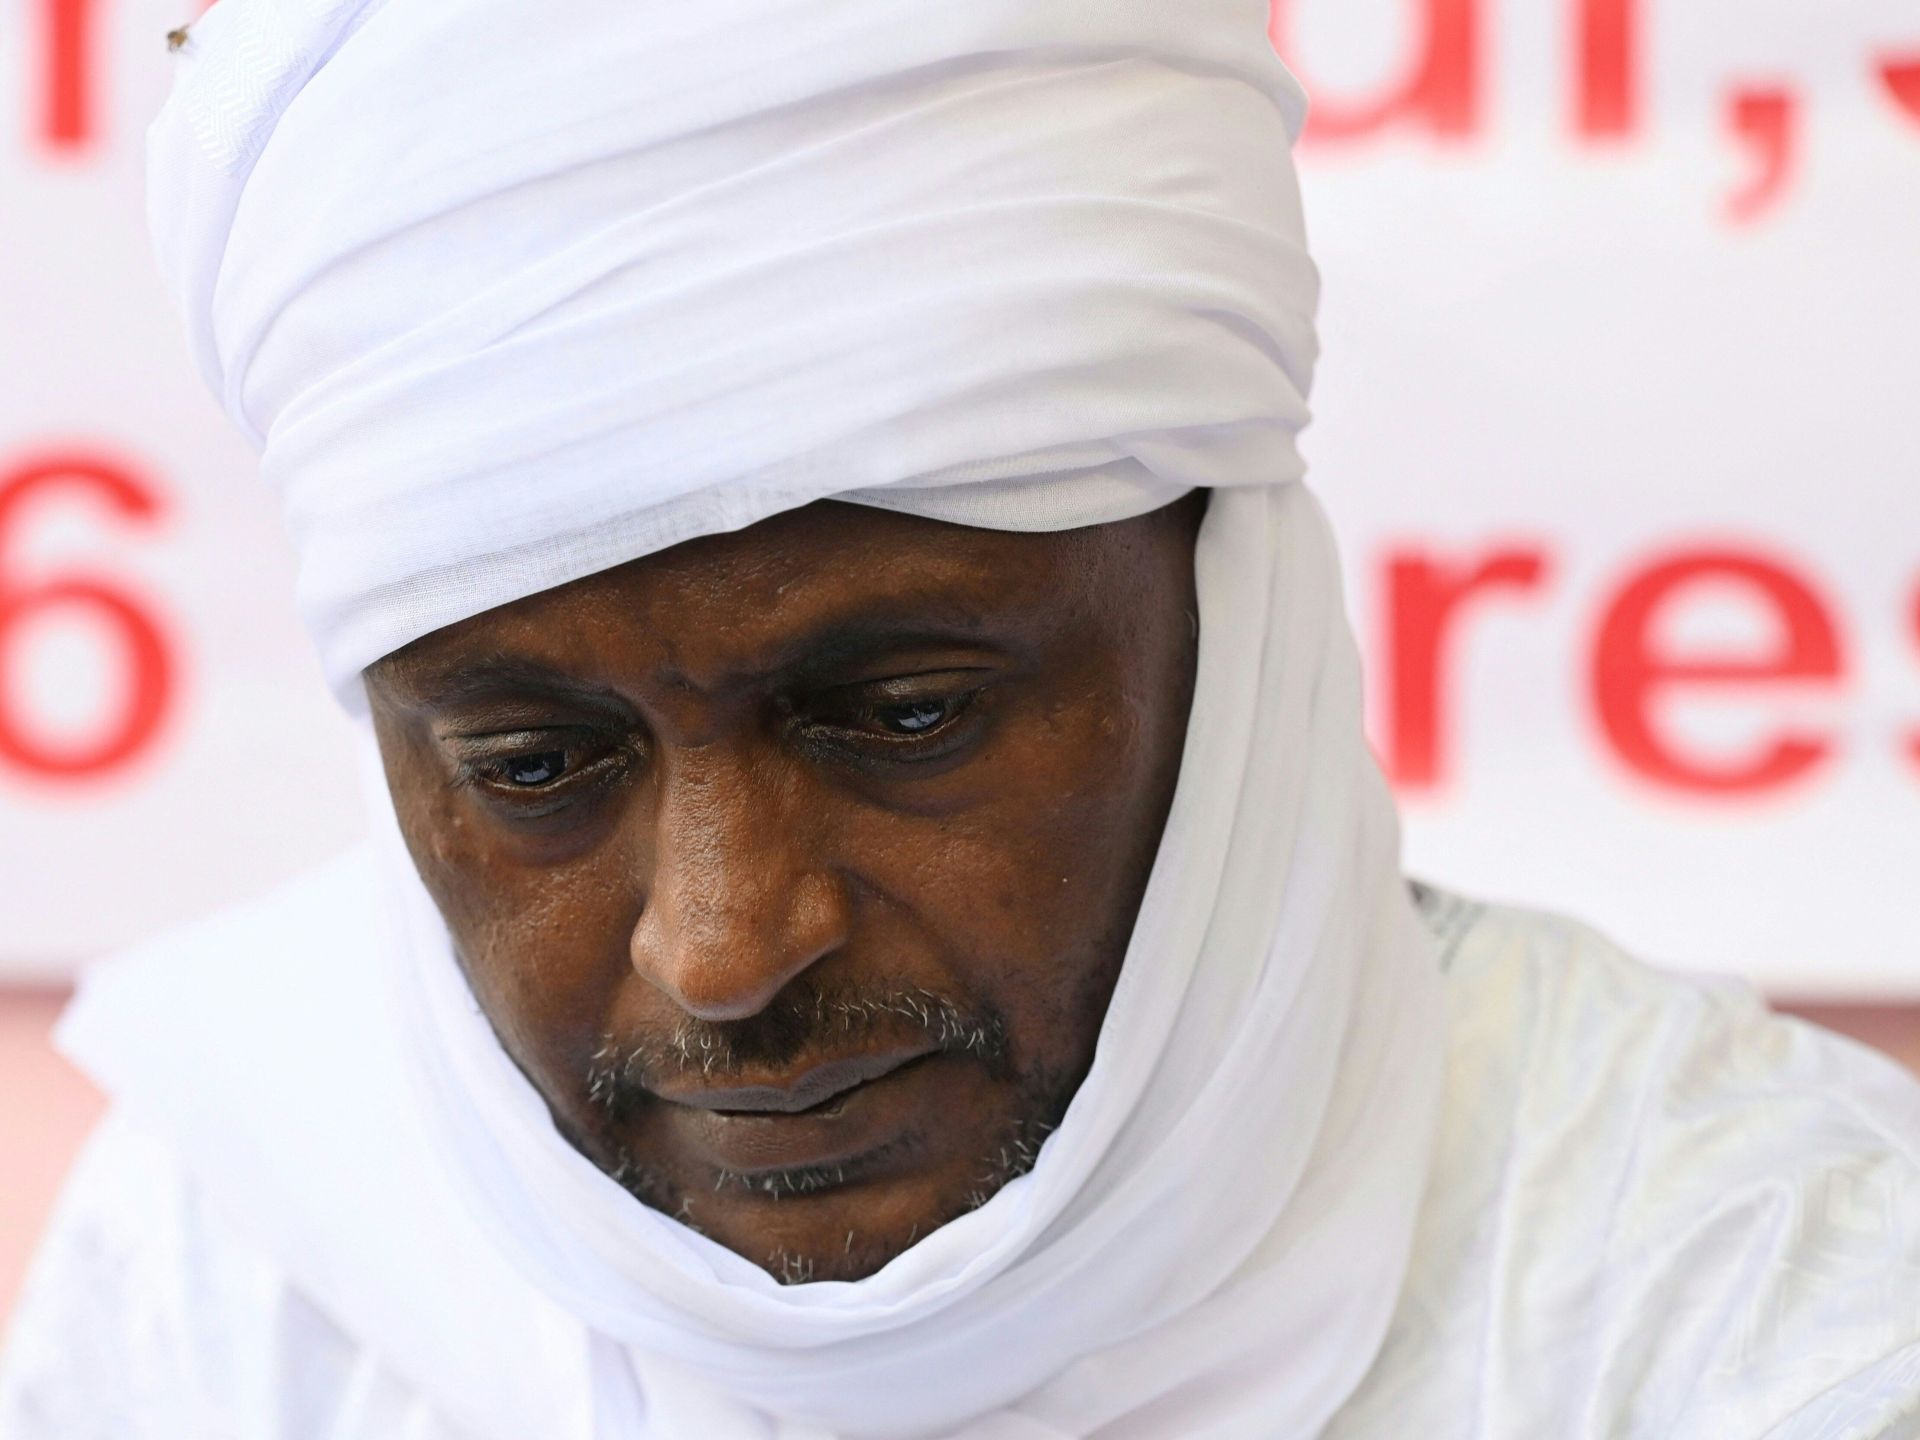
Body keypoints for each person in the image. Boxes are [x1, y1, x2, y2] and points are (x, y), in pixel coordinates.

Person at [5, 1, 1920, 1436]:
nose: (725, 947)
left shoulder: (1770, 1309)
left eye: (903, 715)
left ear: (1230, 621)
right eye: (534, 768)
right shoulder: (246, 1267)